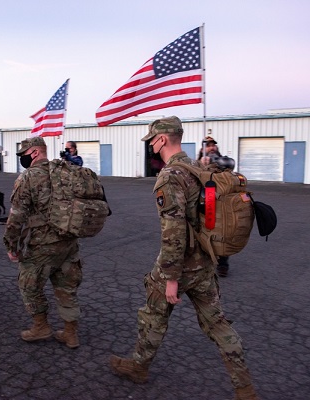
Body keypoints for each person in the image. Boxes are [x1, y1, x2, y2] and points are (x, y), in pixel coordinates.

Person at [109, 117, 258, 400]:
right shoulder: (197, 168)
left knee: (153, 318)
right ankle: (245, 390)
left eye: (152, 140)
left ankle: (138, 367)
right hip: (205, 263)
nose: (151, 145)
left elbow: (173, 232)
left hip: (181, 266)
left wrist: (171, 278)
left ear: (162, 139)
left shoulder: (170, 176)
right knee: (218, 324)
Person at [3, 136, 83, 349]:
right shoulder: (67, 171)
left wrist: (12, 246)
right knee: (66, 287)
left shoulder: (29, 177)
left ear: (35, 153)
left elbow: (17, 216)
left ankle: (41, 326)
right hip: (69, 241)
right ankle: (70, 333)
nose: (23, 159)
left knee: (29, 284)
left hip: (43, 245)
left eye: (24, 155)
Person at [198, 135, 231, 277]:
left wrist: (215, 164)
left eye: (213, 145)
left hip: (220, 202)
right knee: (201, 233)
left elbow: (230, 170)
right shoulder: (197, 162)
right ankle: (203, 263)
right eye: (208, 145)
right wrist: (201, 164)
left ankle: (223, 264)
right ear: (203, 148)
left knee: (221, 234)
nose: (211, 147)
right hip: (203, 202)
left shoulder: (224, 160)